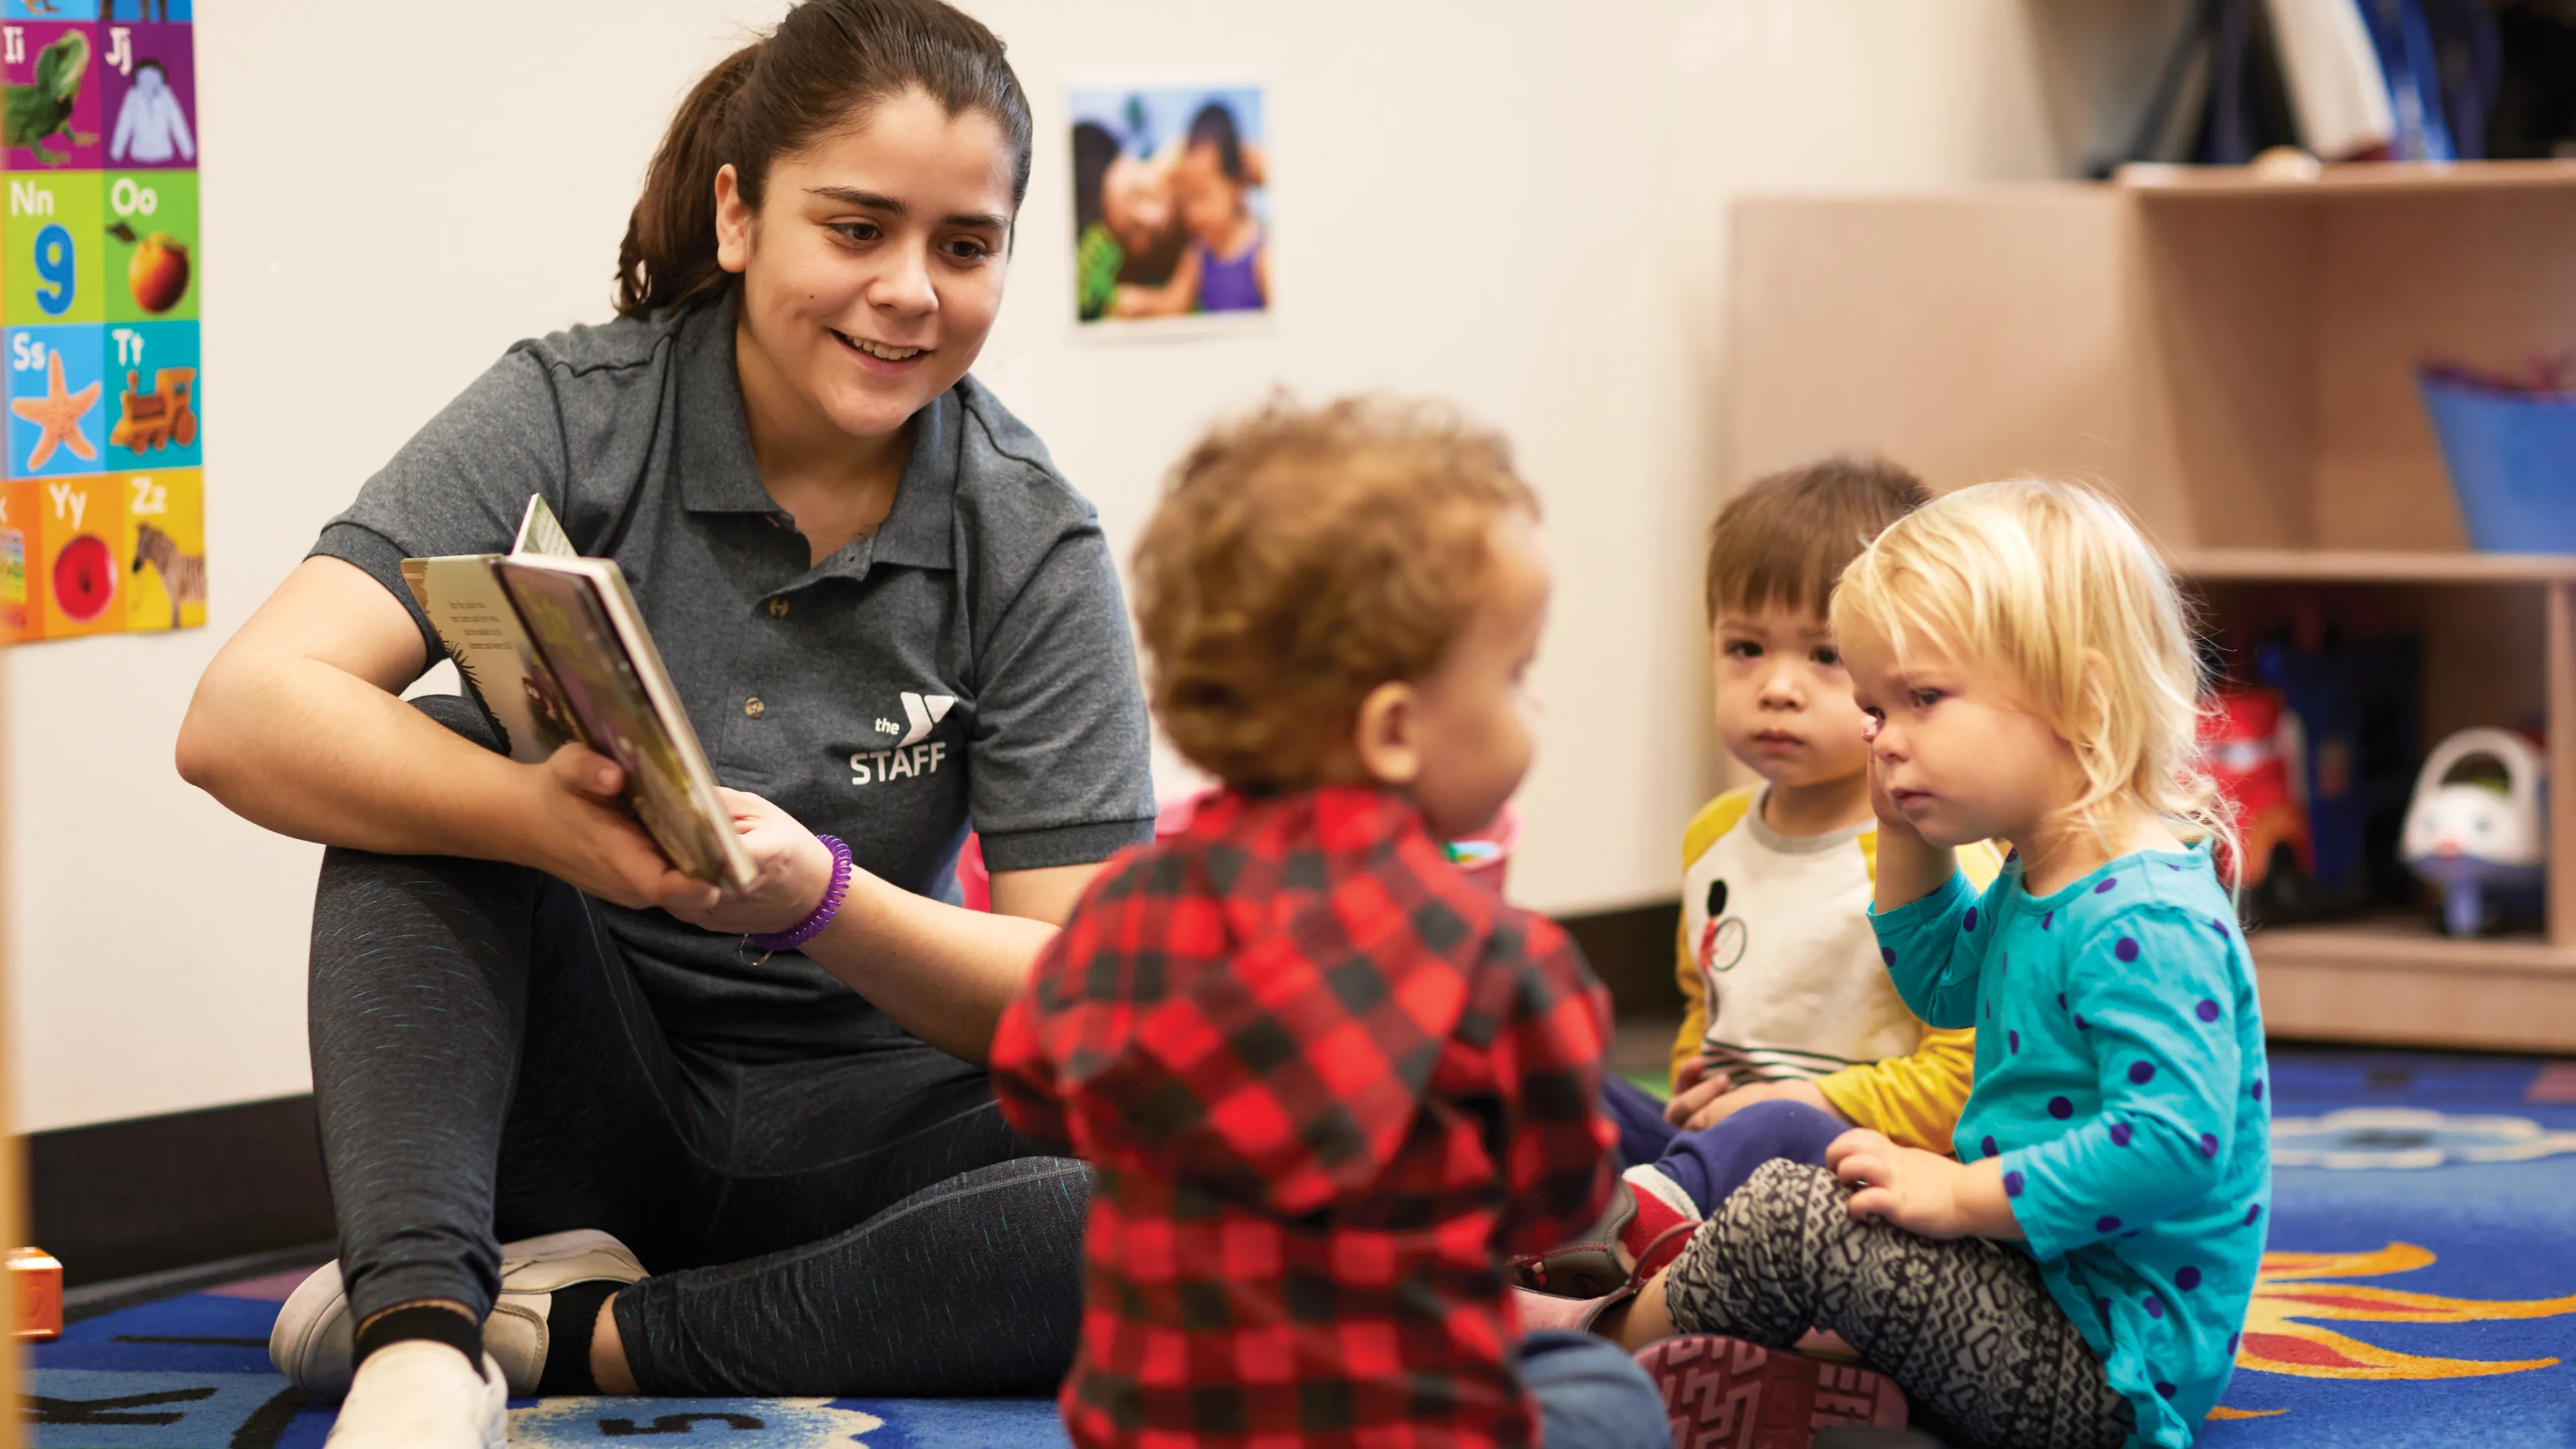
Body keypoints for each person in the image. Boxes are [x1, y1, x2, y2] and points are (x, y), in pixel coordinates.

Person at [176, 3, 1155, 1446]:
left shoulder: (1029, 533)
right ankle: (424, 1343)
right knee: (430, 751)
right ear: (740, 215)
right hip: (571, 1112)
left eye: (965, 246)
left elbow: (1091, 1001)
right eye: (857, 228)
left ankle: (583, 1329)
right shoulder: (573, 413)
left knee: (1190, 1192)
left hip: (869, 1140)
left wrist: (821, 901)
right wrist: (537, 820)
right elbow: (242, 716)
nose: (908, 293)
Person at [988, 397, 1670, 1449]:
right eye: (1515, 676)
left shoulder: (1123, 913)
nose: (1532, 708)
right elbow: (1559, 1200)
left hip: (1160, 1426)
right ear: (1395, 730)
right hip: (1400, 1424)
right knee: (1603, 1391)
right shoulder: (1504, 963)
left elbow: (1035, 1087)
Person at [1598, 478, 2272, 1449]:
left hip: (2107, 1364)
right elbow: (1943, 983)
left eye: (1922, 699)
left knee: (1797, 1218)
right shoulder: (2048, 869)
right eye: (1876, 707)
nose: (1886, 738)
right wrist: (1906, 840)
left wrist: (1958, 1197)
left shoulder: (2147, 915)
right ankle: (1789, 1378)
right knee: (1816, 1194)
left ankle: (1588, 1350)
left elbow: (2174, 1145)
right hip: (2031, 1279)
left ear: (2080, 700)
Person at [1556, 459, 2005, 1288]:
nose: (1778, 688)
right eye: (1746, 648)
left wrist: (1801, 1104)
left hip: (1855, 1175)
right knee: (1569, 1092)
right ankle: (1560, 1238)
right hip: (1717, 1150)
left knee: (1760, 1136)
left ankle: (1621, 1262)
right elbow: (1710, 998)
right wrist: (1698, 1078)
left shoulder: (1935, 846)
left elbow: (1969, 1076)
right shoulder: (1714, 836)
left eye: (1826, 655)